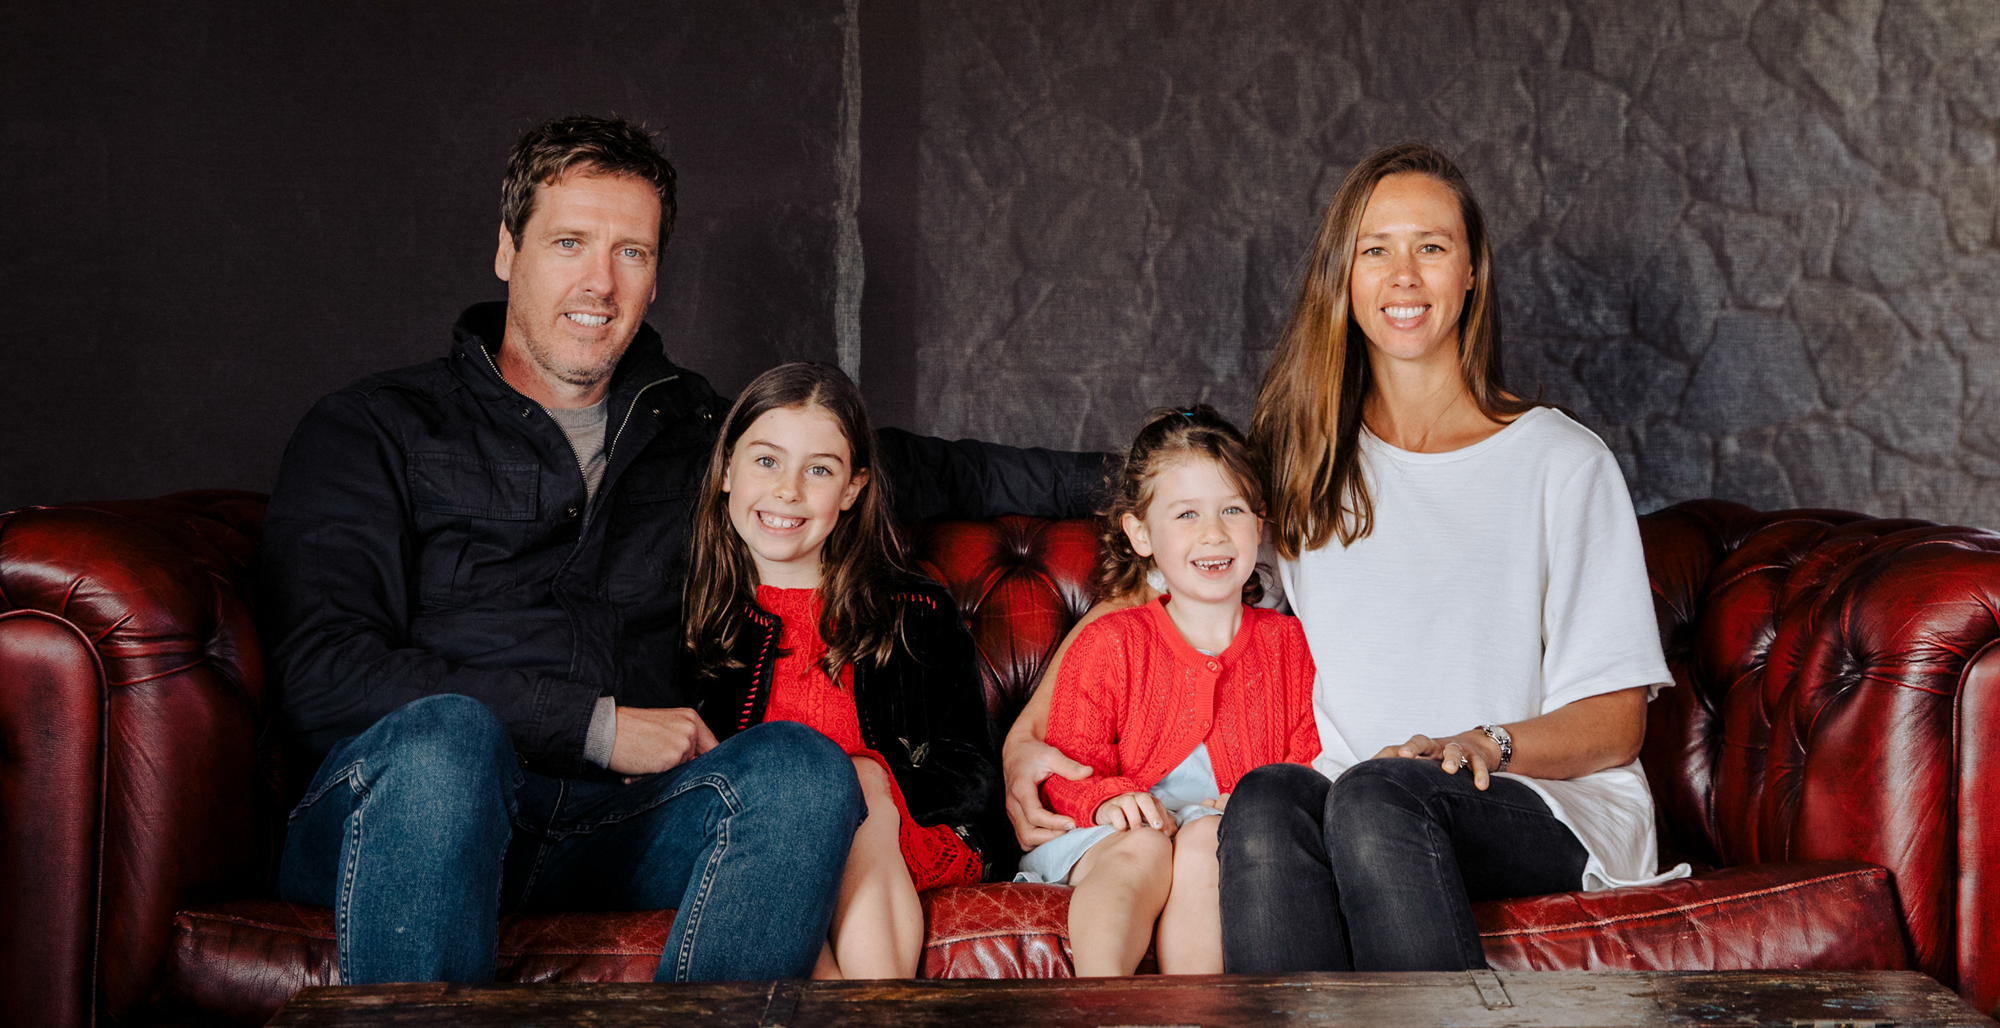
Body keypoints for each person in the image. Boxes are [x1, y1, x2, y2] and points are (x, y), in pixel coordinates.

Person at [262, 115, 1108, 984]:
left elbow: (928, 469)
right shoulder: (373, 428)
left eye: (632, 251)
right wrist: (596, 729)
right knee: (447, 742)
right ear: (508, 250)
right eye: (569, 242)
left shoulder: (699, 432)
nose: (600, 281)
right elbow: (324, 675)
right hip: (408, 812)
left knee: (805, 775)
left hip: (613, 828)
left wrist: (1177, 489)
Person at [1001, 142, 1682, 973]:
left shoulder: (1562, 462)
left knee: (1374, 795)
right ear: (1344, 278)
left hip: (1541, 803)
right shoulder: (1306, 462)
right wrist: (1025, 741)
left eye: (1430, 247)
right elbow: (1167, 596)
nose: (1403, 275)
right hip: (1356, 799)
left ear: (1472, 271)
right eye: (1375, 250)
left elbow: (1617, 723)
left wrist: (1483, 742)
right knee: (1265, 797)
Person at [681, 362, 1006, 979]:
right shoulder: (685, 611)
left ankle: (880, 1003)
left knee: (847, 783)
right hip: (745, 843)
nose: (788, 491)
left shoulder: (914, 611)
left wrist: (867, 784)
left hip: (893, 837)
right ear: (726, 469)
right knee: (791, 811)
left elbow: (971, 772)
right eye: (767, 461)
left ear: (853, 489)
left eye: (820, 470)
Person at [1014, 406, 1319, 976]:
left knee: (1206, 839)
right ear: (1141, 533)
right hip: (1112, 835)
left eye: (1232, 510)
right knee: (1146, 844)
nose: (1213, 533)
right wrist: (1106, 799)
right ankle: (1099, 1004)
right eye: (1186, 515)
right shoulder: (1112, 640)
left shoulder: (1290, 645)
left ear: (1260, 524)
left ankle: (1193, 1011)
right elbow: (1065, 765)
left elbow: (1308, 752)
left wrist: (1261, 802)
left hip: (1222, 830)